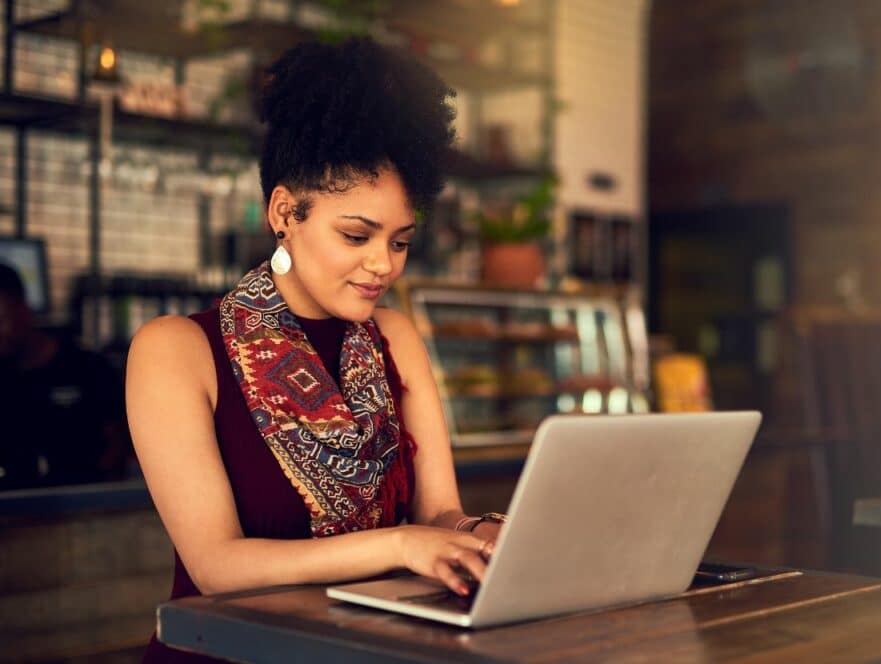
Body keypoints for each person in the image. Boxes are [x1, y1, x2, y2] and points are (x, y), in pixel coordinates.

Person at [127, 38, 504, 663]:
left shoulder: (395, 337)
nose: (382, 264)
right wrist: (400, 546)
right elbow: (216, 563)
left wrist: (479, 536)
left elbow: (438, 511)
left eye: (401, 241)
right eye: (356, 234)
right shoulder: (176, 350)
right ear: (284, 213)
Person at [0, 263, 129, 489]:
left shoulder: (89, 368)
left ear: (24, 310)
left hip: (86, 505)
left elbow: (118, 447)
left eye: (1, 320)